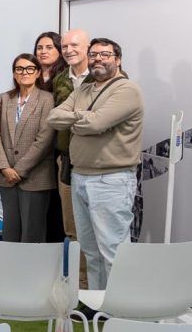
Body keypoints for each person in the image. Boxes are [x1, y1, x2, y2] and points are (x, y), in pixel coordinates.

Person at [49, 38, 143, 290]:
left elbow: (97, 124)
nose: (98, 59)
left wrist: (78, 120)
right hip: (80, 176)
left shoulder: (127, 90)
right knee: (90, 250)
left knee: (113, 250)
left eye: (105, 54)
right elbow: (54, 117)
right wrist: (85, 117)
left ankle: (120, 305)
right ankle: (98, 302)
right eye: (93, 55)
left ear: (118, 59)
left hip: (111, 180)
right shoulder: (83, 90)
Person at [0, 53, 56, 243]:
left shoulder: (47, 99)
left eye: (29, 68)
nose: (24, 72)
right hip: (6, 175)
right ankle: (10, 263)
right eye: (19, 69)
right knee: (10, 229)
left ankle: (32, 264)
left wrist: (19, 170)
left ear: (38, 72)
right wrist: (4, 166)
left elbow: (45, 139)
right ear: (14, 73)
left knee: (32, 231)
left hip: (35, 176)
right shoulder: (4, 98)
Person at [52, 28, 91, 286]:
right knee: (73, 228)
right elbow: (55, 118)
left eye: (75, 45)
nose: (69, 50)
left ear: (87, 47)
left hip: (95, 162)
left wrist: (71, 117)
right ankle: (80, 284)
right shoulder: (60, 80)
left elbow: (101, 120)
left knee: (97, 229)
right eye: (65, 46)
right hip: (66, 160)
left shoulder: (104, 78)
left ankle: (100, 286)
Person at [32, 30, 67, 242]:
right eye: (39, 47)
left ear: (59, 51)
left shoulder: (64, 78)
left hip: (57, 149)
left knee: (56, 205)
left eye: (49, 47)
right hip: (33, 148)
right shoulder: (30, 74)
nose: (43, 52)